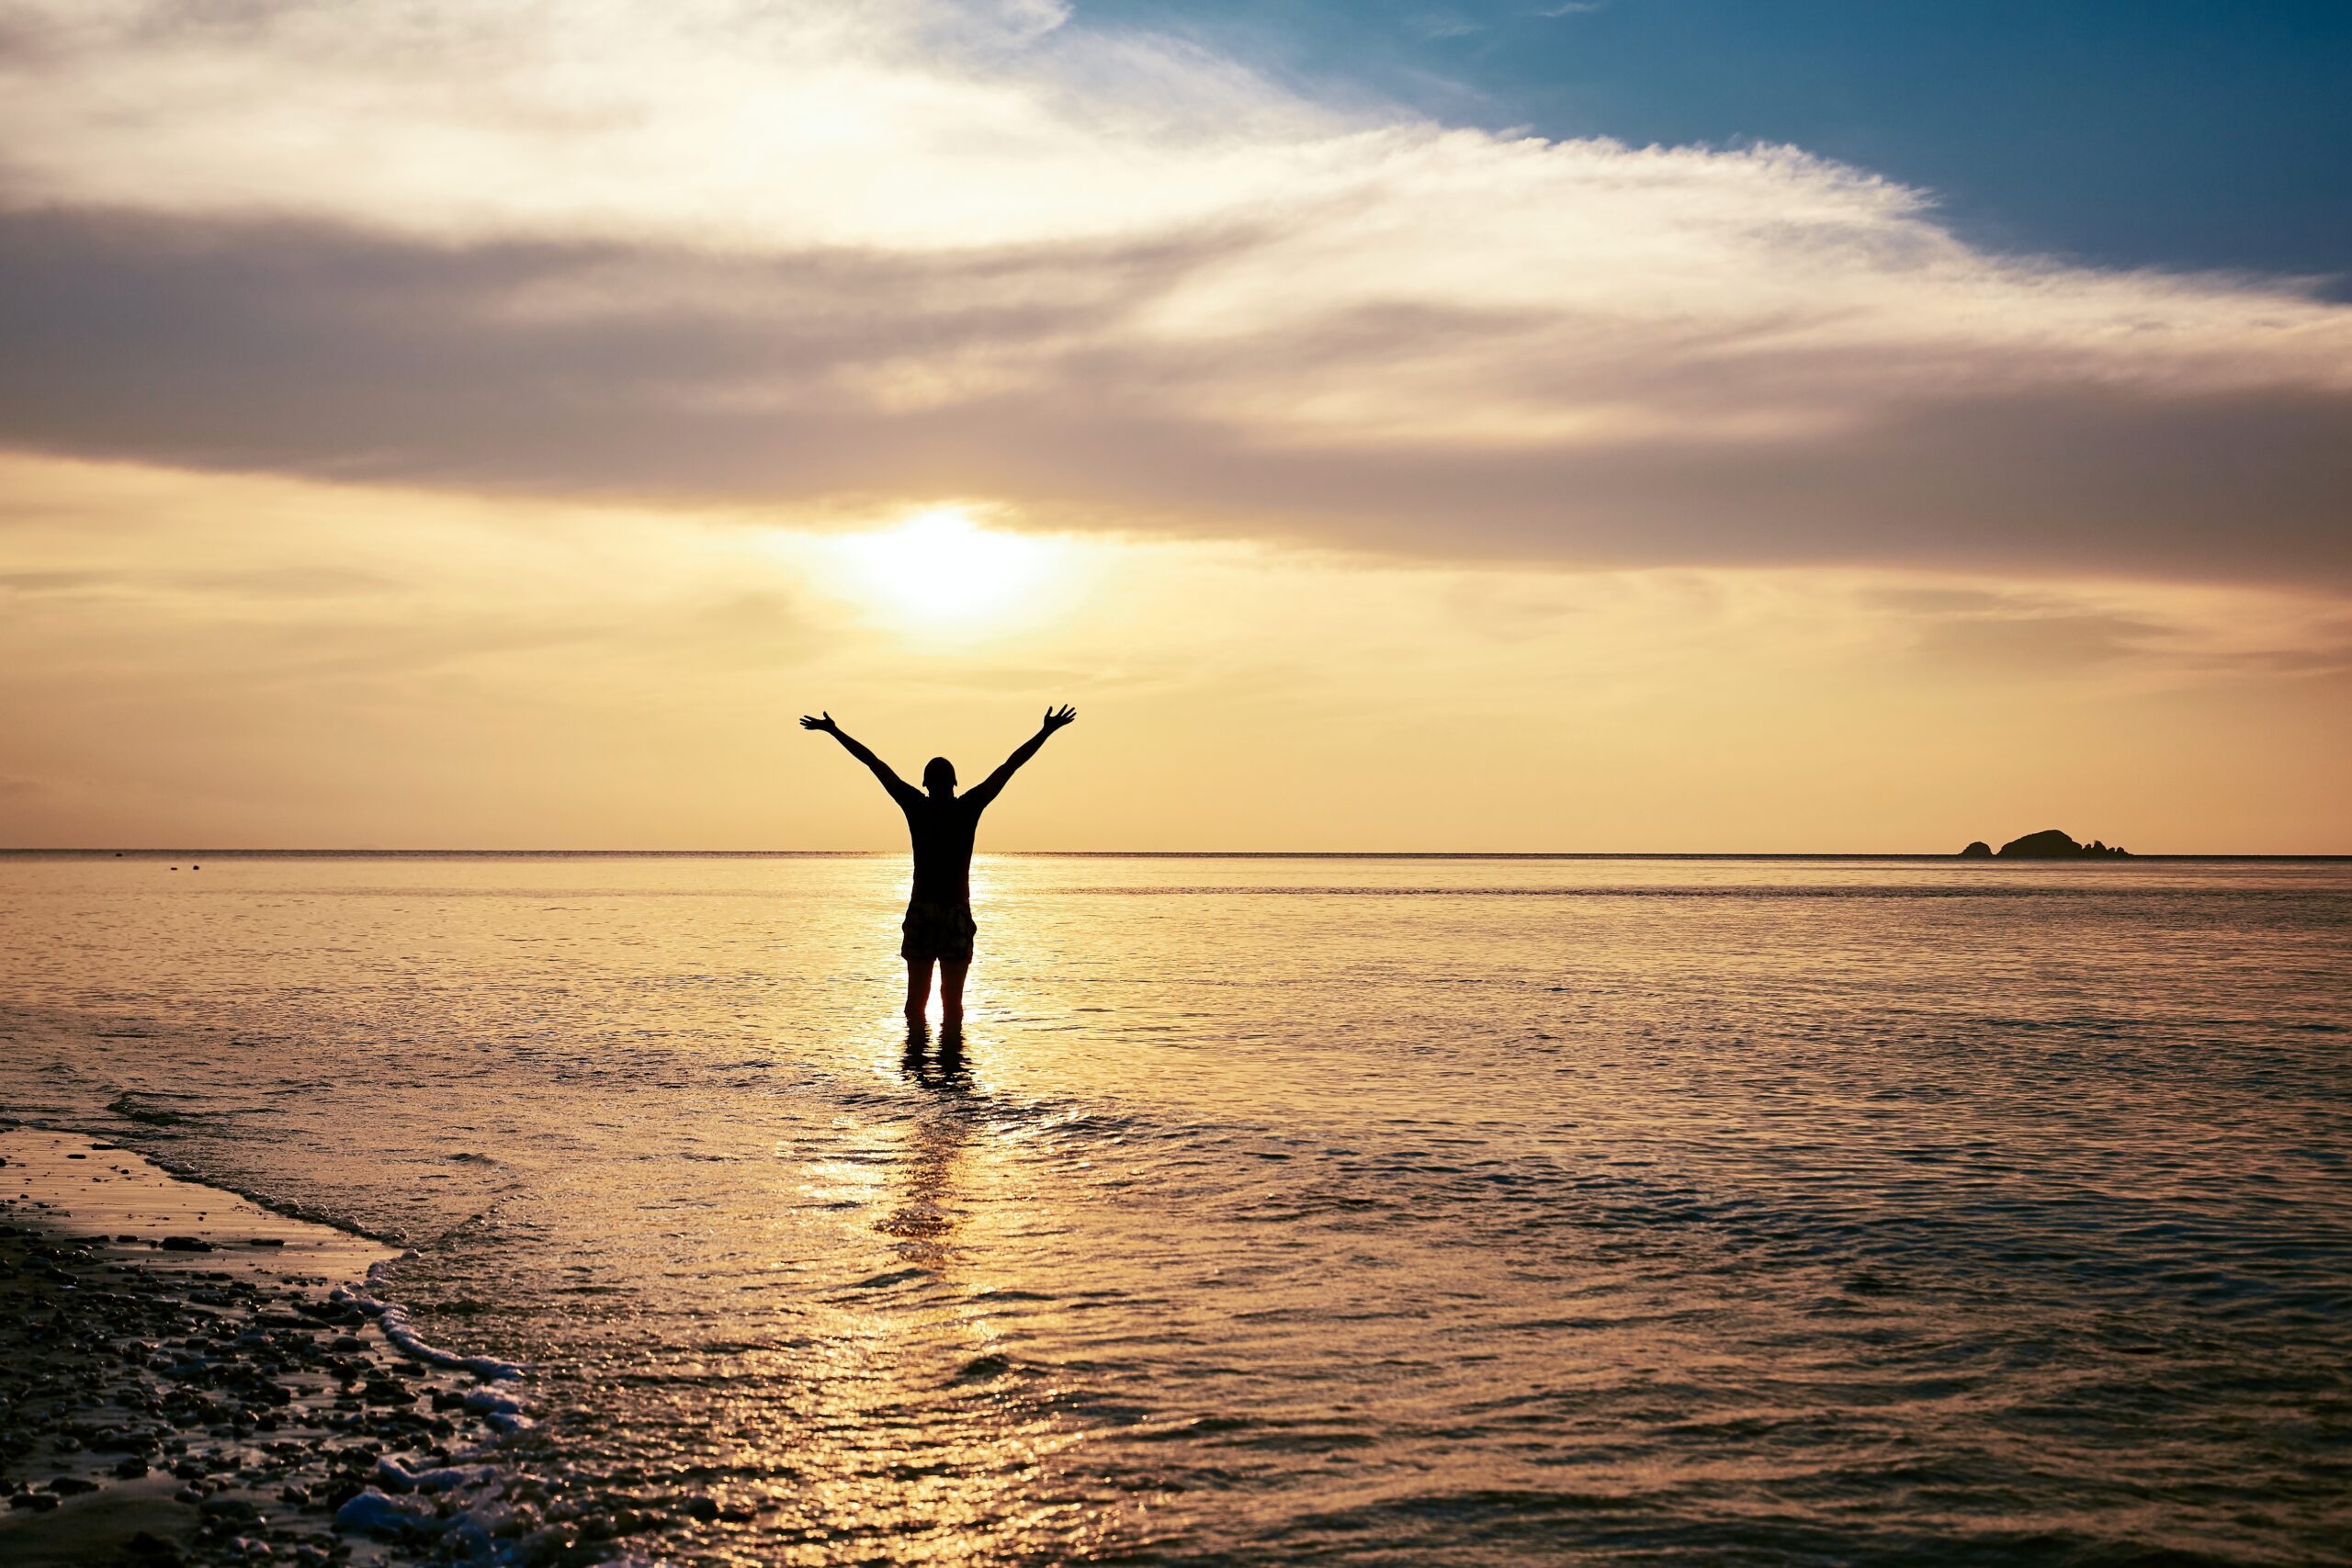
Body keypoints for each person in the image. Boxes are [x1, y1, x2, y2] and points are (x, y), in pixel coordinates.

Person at [800, 705, 1077, 1030]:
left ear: (926, 784)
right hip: (954, 912)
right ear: (954, 783)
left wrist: (834, 731)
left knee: (915, 1001)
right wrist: (1045, 732)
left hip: (922, 912)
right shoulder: (969, 806)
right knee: (952, 1003)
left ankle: (916, 1064)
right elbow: (1010, 766)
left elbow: (874, 764)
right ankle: (951, 1070)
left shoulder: (916, 806)